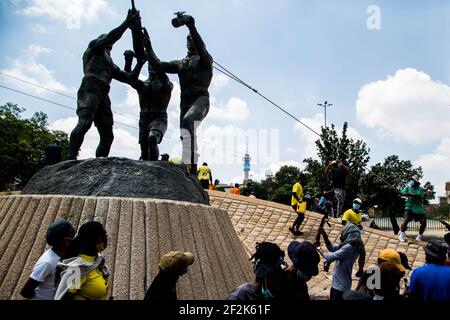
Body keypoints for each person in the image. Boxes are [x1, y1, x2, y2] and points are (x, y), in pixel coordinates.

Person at [68, 10, 140, 160]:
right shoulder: (94, 47)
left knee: (108, 134)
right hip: (91, 86)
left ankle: (100, 162)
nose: (108, 41)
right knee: (85, 122)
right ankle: (71, 157)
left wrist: (132, 62)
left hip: (104, 92)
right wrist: (127, 23)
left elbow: (129, 78)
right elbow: (110, 37)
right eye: (105, 38)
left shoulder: (109, 62)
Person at [160, 13, 213, 175]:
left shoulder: (205, 59)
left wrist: (191, 26)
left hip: (200, 98)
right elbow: (162, 65)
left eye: (192, 39)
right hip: (185, 100)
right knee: (185, 131)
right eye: (188, 39)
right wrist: (146, 50)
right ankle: (192, 167)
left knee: (188, 121)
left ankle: (187, 161)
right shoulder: (181, 63)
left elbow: (201, 47)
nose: (190, 41)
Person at [115, 26, 173, 161]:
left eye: (154, 64)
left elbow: (161, 75)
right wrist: (129, 62)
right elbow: (129, 78)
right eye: (150, 65)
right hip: (143, 119)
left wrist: (149, 49)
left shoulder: (166, 84)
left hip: (159, 118)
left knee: (152, 138)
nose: (151, 67)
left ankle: (155, 167)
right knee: (144, 152)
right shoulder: (143, 84)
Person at [20, 220, 75, 300]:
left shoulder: (65, 255)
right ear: (67, 241)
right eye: (73, 235)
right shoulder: (47, 263)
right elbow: (26, 291)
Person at [54, 221, 109, 300]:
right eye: (105, 236)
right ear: (98, 240)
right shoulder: (77, 268)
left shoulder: (96, 260)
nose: (107, 238)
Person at [317, 222, 363, 301]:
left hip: (340, 288)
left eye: (344, 232)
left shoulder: (348, 247)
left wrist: (318, 249)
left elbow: (331, 256)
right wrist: (324, 234)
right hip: (337, 285)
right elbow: (332, 248)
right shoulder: (351, 246)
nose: (341, 234)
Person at [341, 198, 366, 277]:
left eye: (358, 203)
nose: (356, 204)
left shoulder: (359, 214)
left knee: (362, 253)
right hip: (349, 236)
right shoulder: (348, 212)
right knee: (350, 254)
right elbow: (344, 221)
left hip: (357, 236)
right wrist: (354, 225)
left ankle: (360, 270)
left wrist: (360, 227)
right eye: (355, 203)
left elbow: (359, 223)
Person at [398, 175, 426, 242]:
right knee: (407, 219)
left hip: (419, 208)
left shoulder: (420, 189)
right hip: (409, 206)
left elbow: (417, 195)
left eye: (413, 180)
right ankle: (401, 234)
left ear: (416, 182)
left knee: (423, 222)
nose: (411, 181)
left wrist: (407, 194)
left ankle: (419, 236)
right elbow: (402, 193)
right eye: (411, 180)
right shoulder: (408, 187)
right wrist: (400, 193)